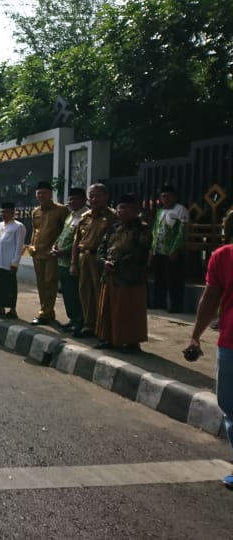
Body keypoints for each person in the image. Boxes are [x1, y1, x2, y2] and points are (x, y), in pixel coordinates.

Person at [187, 209, 233, 487]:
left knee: (231, 406)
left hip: (230, 342)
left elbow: (209, 299)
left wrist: (195, 336)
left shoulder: (224, 256)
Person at [94, 194, 152, 353]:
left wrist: (118, 264)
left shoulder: (143, 228)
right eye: (120, 208)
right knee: (108, 309)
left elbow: (141, 251)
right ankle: (110, 339)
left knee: (129, 310)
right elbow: (102, 247)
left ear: (135, 211)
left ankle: (131, 342)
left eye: (127, 208)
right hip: (110, 274)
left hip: (131, 277)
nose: (123, 211)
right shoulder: (113, 227)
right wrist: (104, 261)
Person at [71, 183, 117, 338]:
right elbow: (76, 241)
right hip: (83, 257)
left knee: (100, 293)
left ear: (105, 197)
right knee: (85, 291)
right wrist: (73, 263)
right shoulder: (85, 217)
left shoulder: (112, 217)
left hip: (99, 258)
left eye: (97, 195)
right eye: (91, 196)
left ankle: (102, 327)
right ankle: (88, 324)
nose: (94, 199)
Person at [28, 181, 70, 325]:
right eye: (39, 193)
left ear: (50, 193)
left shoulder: (61, 210)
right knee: (41, 284)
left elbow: (66, 231)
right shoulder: (35, 211)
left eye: (44, 192)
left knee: (50, 283)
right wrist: (31, 246)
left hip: (52, 253)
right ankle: (46, 311)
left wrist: (58, 247)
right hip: (37, 252)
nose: (41, 195)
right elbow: (35, 230)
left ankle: (45, 313)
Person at [51, 187, 88, 333]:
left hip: (75, 261)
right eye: (70, 199)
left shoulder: (86, 216)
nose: (71, 202)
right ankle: (72, 319)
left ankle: (81, 320)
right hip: (62, 261)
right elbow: (63, 233)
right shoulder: (70, 215)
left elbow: (80, 241)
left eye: (75, 199)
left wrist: (64, 251)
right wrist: (55, 246)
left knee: (76, 293)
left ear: (83, 199)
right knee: (67, 292)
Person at [150, 184, 190, 313]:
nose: (165, 199)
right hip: (159, 249)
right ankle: (159, 302)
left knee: (174, 280)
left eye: (167, 196)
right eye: (163, 196)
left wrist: (175, 248)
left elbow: (182, 232)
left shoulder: (181, 210)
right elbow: (155, 229)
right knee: (159, 278)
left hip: (172, 250)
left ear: (174, 197)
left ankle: (176, 306)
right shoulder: (160, 211)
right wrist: (152, 247)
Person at [0, 202, 27, 319]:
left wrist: (15, 262)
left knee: (9, 286)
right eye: (2, 212)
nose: (3, 214)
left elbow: (19, 246)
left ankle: (12, 310)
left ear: (13, 212)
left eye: (6, 212)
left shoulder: (18, 227)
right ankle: (0, 308)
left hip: (7, 262)